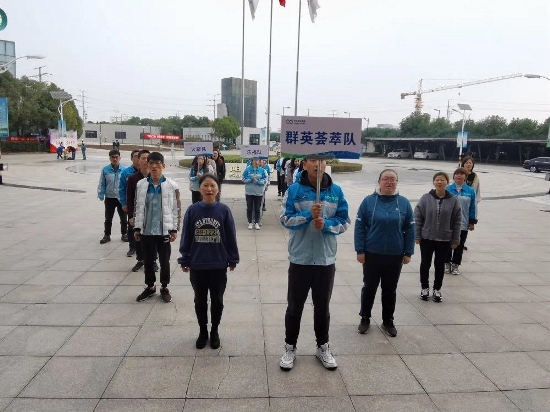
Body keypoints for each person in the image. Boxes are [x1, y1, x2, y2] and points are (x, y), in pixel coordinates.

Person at [279, 158, 350, 371]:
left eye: (321, 160)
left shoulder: (336, 191)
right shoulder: (293, 190)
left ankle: (322, 347)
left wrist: (326, 224)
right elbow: (285, 219)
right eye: (312, 160)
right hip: (300, 259)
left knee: (322, 307)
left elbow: (344, 221)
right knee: (294, 307)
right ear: (305, 164)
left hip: (325, 259)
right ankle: (290, 347)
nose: (317, 164)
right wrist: (307, 216)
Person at [178, 174, 239, 349]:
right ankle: (203, 331)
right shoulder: (192, 210)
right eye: (205, 185)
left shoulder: (224, 210)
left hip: (218, 264)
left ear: (218, 189)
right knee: (200, 300)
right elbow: (186, 236)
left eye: (213, 185)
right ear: (200, 188)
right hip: (198, 264)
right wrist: (184, 257)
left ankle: (215, 331)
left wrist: (233, 257)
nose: (209, 189)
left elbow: (230, 236)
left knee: (217, 300)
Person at [354, 169, 415, 337]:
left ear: (397, 182)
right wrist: (360, 250)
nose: (389, 182)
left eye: (392, 179)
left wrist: (408, 252)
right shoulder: (368, 201)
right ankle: (365, 318)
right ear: (379, 181)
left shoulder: (403, 203)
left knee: (390, 289)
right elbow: (359, 227)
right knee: (369, 287)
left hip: (395, 254)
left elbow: (410, 229)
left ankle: (388, 320)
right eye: (385, 179)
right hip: (372, 253)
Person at [134, 152, 182, 303]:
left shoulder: (172, 186)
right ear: (147, 165)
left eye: (158, 163)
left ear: (163, 166)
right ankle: (150, 287)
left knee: (164, 261)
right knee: (148, 261)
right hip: (147, 230)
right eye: (151, 163)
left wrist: (174, 229)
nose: (154, 166)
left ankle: (164, 287)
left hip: (164, 230)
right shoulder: (141, 185)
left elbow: (176, 208)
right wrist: (137, 228)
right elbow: (138, 207)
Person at [415, 172, 462, 303]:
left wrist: (455, 239)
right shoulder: (425, 198)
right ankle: (424, 288)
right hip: (427, 238)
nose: (439, 182)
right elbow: (418, 217)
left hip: (444, 239)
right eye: (437, 180)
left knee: (440, 265)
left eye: (442, 180)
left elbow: (457, 221)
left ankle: (437, 289)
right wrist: (417, 235)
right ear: (434, 182)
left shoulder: (453, 200)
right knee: (425, 264)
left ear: (447, 182)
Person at [127, 149, 157, 273]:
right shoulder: (133, 179)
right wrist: (131, 216)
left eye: (147, 159)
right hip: (138, 214)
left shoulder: (155, 177)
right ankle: (140, 260)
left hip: (153, 214)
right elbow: (130, 198)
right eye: (143, 158)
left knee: (153, 238)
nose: (145, 161)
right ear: (138, 161)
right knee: (139, 238)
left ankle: (153, 260)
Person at [445, 167, 477, 276]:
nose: (459, 176)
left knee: (459, 245)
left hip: (463, 222)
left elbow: (473, 207)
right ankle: (447, 263)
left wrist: (472, 222)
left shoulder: (470, 191)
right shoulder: (447, 189)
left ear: (465, 177)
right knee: (447, 244)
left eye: (461, 174)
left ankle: (455, 265)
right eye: (457, 174)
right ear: (454, 176)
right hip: (448, 223)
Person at [97, 149, 127, 244]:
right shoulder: (105, 170)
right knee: (108, 218)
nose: (115, 159)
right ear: (110, 158)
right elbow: (102, 182)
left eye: (116, 157)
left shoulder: (124, 170)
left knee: (123, 217)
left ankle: (124, 234)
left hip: (121, 198)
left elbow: (127, 184)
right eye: (113, 157)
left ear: (119, 158)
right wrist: (101, 194)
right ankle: (107, 235)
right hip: (109, 198)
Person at [119, 150, 140, 248]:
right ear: (131, 158)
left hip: (143, 204)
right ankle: (132, 247)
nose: (138, 158)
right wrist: (124, 203)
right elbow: (122, 189)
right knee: (131, 225)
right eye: (135, 156)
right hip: (131, 204)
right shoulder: (126, 173)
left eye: (139, 156)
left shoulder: (146, 171)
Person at [242, 157, 268, 230]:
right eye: (255, 160)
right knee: (249, 208)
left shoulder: (262, 170)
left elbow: (265, 180)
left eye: (257, 160)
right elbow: (243, 179)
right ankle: (250, 222)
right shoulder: (247, 170)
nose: (256, 162)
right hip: (249, 192)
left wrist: (258, 181)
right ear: (252, 161)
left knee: (257, 208)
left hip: (258, 192)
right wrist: (251, 179)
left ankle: (257, 222)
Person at [461, 156, 480, 251]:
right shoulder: (459, 174)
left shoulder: (475, 176)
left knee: (466, 223)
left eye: (470, 163)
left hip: (469, 201)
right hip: (460, 201)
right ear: (463, 164)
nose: (468, 164)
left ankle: (462, 243)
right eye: (466, 163)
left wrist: (475, 201)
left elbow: (477, 189)